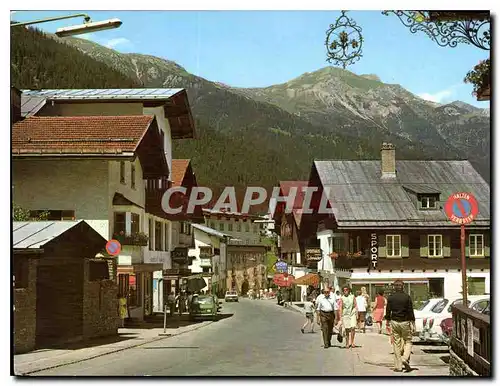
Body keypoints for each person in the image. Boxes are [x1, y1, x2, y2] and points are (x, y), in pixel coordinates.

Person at [385, 280, 416, 372]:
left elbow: (388, 310)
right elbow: (410, 310)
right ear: (403, 286)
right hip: (405, 322)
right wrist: (413, 322)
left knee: (396, 343)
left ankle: (398, 366)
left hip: (394, 321)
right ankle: (405, 358)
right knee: (408, 341)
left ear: (394, 287)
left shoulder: (390, 298)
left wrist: (387, 321)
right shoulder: (407, 297)